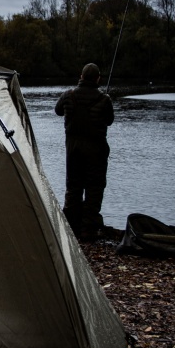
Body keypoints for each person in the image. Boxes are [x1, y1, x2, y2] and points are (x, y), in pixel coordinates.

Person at [55, 63, 114, 240]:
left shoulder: (68, 95)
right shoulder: (104, 100)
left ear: (81, 76)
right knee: (94, 189)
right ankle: (88, 230)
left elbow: (58, 111)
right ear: (98, 79)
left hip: (73, 150)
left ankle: (71, 228)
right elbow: (109, 121)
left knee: (73, 187)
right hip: (96, 151)